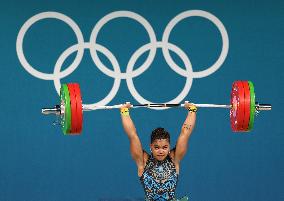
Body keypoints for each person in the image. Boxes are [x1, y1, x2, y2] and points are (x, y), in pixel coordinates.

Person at [120, 102, 197, 201]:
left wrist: (192, 110)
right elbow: (132, 135)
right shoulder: (143, 161)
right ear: (150, 147)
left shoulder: (174, 158)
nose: (161, 151)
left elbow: (185, 133)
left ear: (169, 147)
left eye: (164, 147)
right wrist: (124, 112)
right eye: (157, 147)